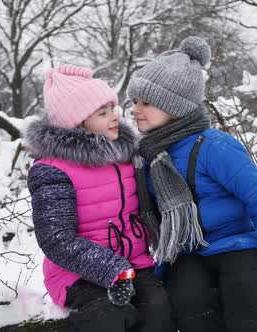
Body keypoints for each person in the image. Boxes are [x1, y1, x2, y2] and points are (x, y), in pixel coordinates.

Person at [127, 37, 257, 332]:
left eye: (147, 102)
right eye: (135, 101)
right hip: (186, 251)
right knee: (188, 305)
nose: (136, 109)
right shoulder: (146, 156)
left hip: (236, 244)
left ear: (175, 105)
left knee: (249, 304)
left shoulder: (214, 146)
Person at [26, 64, 174, 332]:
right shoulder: (52, 170)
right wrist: (111, 270)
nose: (114, 116)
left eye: (113, 109)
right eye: (102, 113)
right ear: (78, 123)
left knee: (159, 309)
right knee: (108, 315)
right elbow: (56, 239)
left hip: (134, 266)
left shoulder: (127, 157)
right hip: (78, 273)